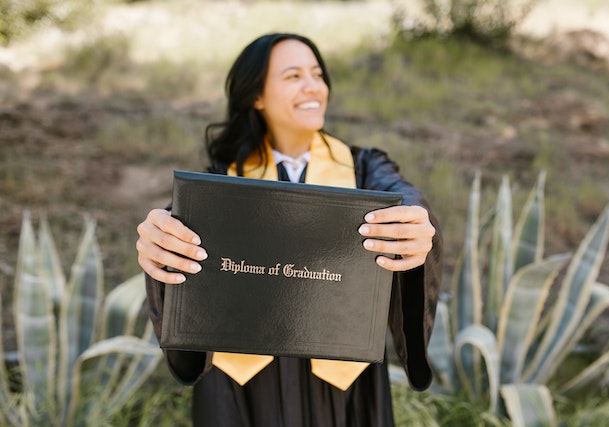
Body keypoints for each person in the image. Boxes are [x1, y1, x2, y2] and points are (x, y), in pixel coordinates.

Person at [137, 33, 443, 426]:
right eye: (294, 75)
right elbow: (179, 226)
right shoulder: (222, 181)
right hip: (240, 384)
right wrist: (161, 239)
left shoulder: (365, 169)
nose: (313, 85)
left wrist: (417, 225)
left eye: (318, 74)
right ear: (256, 96)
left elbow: (406, 198)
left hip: (344, 381)